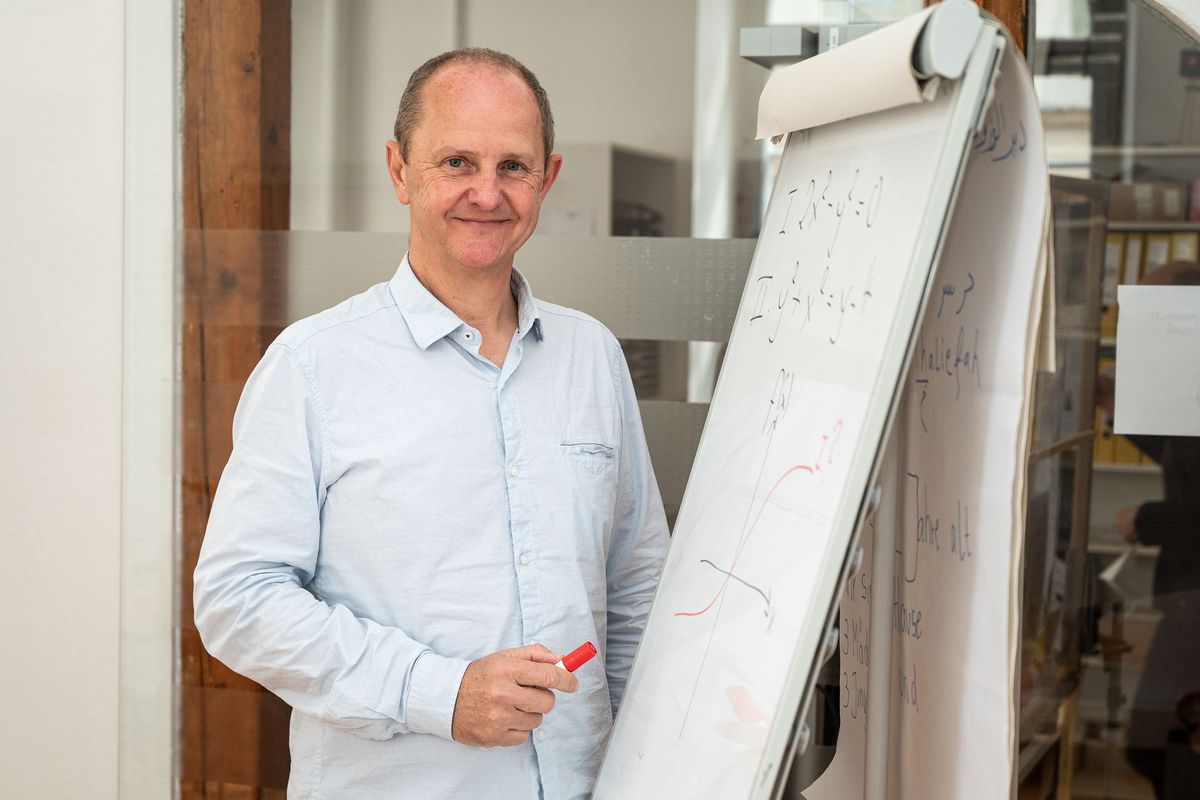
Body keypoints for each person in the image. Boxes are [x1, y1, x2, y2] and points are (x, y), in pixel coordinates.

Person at [193, 48, 669, 799]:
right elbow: (238, 600)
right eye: (456, 161)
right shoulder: (315, 366)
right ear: (399, 171)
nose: (487, 192)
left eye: (513, 166)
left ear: (547, 179)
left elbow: (637, 588)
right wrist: (436, 692)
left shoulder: (593, 358)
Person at [1096, 260, 1200, 798]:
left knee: (1157, 746)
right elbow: (1178, 455)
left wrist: (1148, 519)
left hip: (1194, 605)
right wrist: (1117, 405)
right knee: (1155, 746)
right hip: (1186, 601)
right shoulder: (1190, 382)